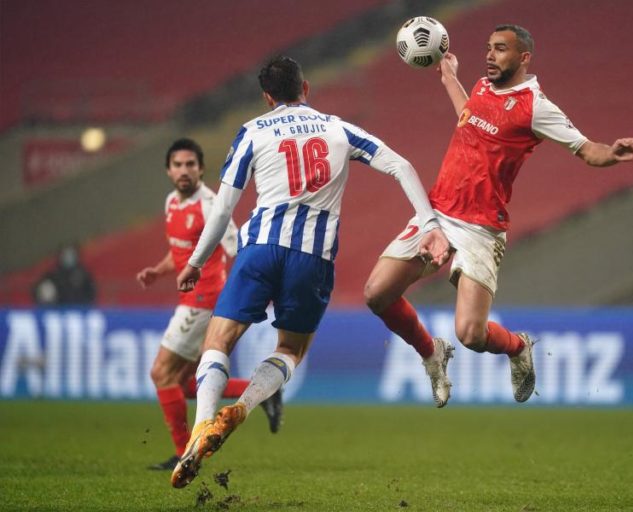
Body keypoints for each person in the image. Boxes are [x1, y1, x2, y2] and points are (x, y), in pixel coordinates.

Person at [170, 56, 450, 489]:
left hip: (259, 250)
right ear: (306, 87)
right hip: (312, 259)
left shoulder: (253, 131)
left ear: (267, 97)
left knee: (218, 342)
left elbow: (224, 208)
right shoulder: (338, 128)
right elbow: (401, 166)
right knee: (290, 350)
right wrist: (429, 223)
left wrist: (195, 262)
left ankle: (199, 429)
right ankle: (240, 410)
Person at [364, 24, 633, 407]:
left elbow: (584, 148)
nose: (489, 56)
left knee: (471, 334)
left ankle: (518, 348)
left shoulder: (536, 106)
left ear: (524, 57)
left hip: (480, 228)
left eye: (500, 49)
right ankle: (432, 352)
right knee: (377, 293)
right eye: (488, 48)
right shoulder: (481, 86)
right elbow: (471, 118)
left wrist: (612, 153)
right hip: (438, 211)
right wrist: (450, 78)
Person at [137, 138, 283, 471]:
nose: (184, 170)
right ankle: (262, 391)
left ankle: (183, 452)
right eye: (178, 164)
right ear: (168, 170)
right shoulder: (172, 202)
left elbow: (236, 248)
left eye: (191, 164)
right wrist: (157, 271)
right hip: (190, 300)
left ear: (201, 169)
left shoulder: (210, 205)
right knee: (187, 383)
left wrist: (259, 288)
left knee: (161, 373)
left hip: (202, 303)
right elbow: (182, 251)